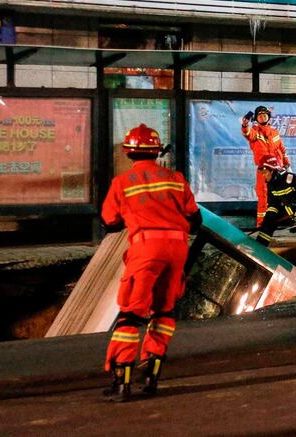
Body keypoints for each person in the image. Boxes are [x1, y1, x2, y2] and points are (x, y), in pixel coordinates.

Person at [101, 124, 201, 402]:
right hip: (177, 247)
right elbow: (195, 219)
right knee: (164, 312)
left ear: (129, 152)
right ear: (157, 151)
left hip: (146, 248)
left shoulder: (121, 182)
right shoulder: (175, 178)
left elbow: (109, 221)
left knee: (131, 314)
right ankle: (152, 374)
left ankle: (122, 381)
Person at [241, 105, 291, 227]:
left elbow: (282, 148)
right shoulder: (254, 132)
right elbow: (247, 133)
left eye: (265, 115)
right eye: (260, 116)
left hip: (278, 169)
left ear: (268, 117)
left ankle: (287, 220)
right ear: (256, 119)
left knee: (284, 194)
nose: (263, 117)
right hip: (264, 170)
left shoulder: (274, 132)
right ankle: (262, 224)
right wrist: (244, 125)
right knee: (263, 195)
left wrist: (286, 163)